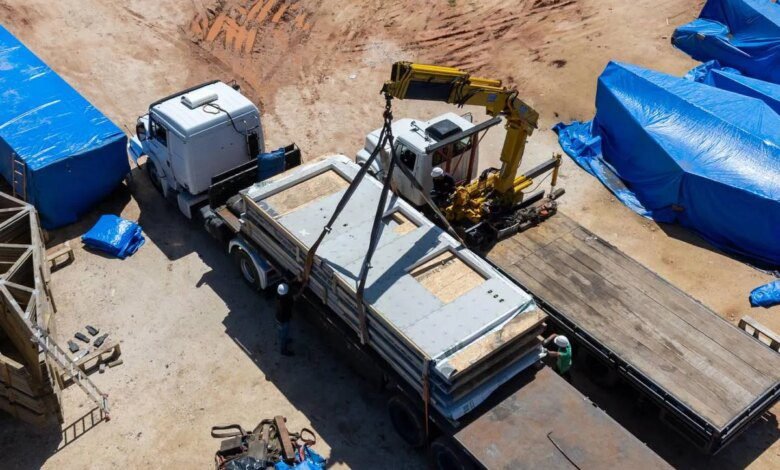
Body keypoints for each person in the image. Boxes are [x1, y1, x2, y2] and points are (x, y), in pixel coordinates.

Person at [276, 282, 294, 356]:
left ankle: (285, 340)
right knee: (284, 334)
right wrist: (303, 287)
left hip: (278, 319)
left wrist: (296, 278)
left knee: (281, 333)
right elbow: (296, 297)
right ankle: (283, 350)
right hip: (284, 321)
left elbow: (287, 286)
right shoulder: (287, 302)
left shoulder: (278, 296)